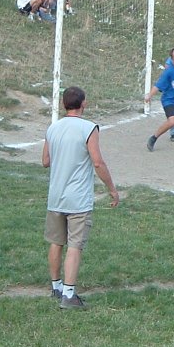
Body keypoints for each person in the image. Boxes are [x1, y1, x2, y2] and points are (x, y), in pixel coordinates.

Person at [42, 86, 120, 310]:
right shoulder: (88, 128)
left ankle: (56, 287)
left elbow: (45, 161)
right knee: (75, 245)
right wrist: (112, 189)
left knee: (56, 242)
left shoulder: (53, 128)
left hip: (55, 196)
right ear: (83, 103)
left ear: (64, 104)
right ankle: (69, 295)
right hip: (78, 199)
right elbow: (98, 162)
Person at [145, 47, 174, 149]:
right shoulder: (169, 72)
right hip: (169, 100)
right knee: (172, 121)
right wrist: (149, 95)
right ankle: (153, 138)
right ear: (172, 60)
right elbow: (158, 85)